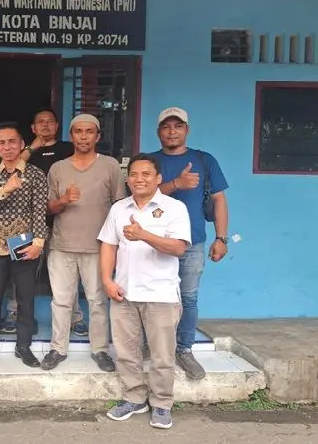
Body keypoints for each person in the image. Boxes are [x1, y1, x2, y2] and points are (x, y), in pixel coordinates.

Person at [98, 153, 191, 430]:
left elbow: (179, 248)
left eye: (146, 174)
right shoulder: (118, 209)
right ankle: (134, 398)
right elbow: (108, 245)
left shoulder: (174, 208)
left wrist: (144, 235)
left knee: (162, 355)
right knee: (126, 352)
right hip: (124, 293)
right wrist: (107, 281)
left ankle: (162, 403)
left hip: (161, 295)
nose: (139, 179)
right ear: (127, 180)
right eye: (134, 175)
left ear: (158, 178)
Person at [41, 113, 125, 372]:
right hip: (61, 246)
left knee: (97, 301)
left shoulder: (110, 165)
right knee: (61, 301)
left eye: (89, 131)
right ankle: (58, 348)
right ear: (71, 136)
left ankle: (100, 350)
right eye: (78, 131)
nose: (84, 136)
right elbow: (48, 208)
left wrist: (118, 245)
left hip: (98, 247)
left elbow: (120, 206)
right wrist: (64, 200)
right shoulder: (58, 168)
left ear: (97, 136)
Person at [150, 107, 230, 380]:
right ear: (158, 132)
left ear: (187, 130)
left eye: (178, 126)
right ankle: (154, 347)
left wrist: (221, 238)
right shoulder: (150, 161)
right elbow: (142, 195)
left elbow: (219, 200)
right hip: (155, 243)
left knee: (188, 298)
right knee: (153, 297)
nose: (172, 132)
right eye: (166, 127)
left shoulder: (204, 160)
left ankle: (184, 349)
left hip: (192, 243)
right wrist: (176, 183)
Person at [0, 108, 88, 337]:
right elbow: (12, 167)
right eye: (41, 122)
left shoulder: (68, 148)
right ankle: (14, 313)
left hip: (63, 218)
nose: (46, 125)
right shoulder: (26, 151)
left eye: (50, 122)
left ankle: (75, 317)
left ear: (57, 126)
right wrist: (32, 147)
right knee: (21, 268)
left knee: (67, 272)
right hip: (26, 220)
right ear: (33, 128)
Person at [0, 121, 48, 368]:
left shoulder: (35, 174)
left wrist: (38, 243)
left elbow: (39, 212)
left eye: (12, 141)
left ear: (22, 144)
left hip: (24, 245)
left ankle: (23, 346)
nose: (7, 147)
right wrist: (5, 189)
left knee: (25, 298)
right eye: (1, 143)